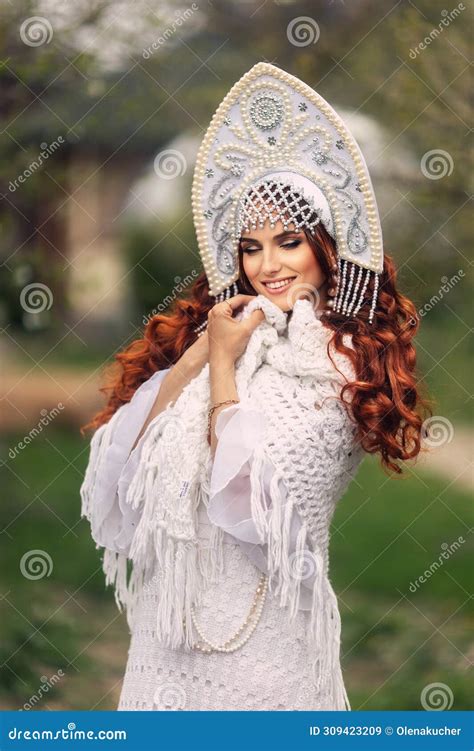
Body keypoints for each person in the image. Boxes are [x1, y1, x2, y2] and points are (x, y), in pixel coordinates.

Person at [80, 62, 429, 711]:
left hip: (264, 659)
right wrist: (198, 359)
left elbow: (248, 507)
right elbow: (120, 464)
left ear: (327, 247)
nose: (266, 266)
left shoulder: (342, 362)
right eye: (250, 246)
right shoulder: (229, 336)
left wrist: (219, 370)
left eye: (288, 242)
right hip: (166, 646)